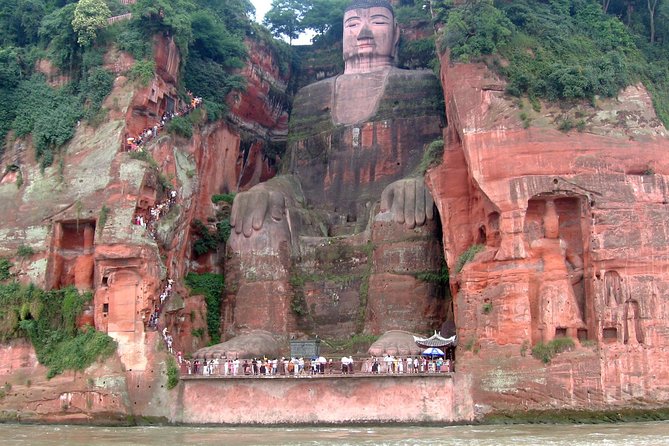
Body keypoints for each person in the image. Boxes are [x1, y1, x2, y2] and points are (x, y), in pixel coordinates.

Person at [226, 0, 444, 337]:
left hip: (384, 210)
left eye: (378, 22)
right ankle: (260, 332)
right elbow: (293, 174)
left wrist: (416, 180)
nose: (365, 32)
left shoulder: (419, 84)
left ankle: (400, 329)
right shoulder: (311, 97)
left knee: (403, 211)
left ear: (397, 34)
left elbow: (437, 155)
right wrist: (266, 189)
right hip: (315, 218)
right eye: (354, 24)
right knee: (258, 215)